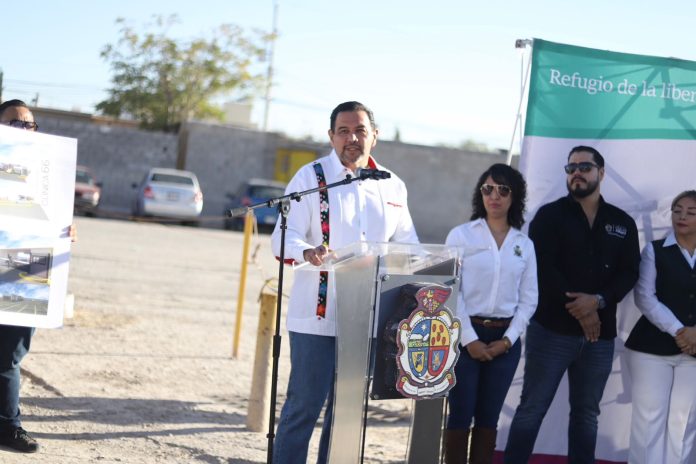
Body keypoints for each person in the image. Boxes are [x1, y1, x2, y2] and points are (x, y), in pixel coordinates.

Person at [270, 101, 419, 463]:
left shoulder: (392, 185)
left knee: (345, 415)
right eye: (344, 131)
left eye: (360, 131)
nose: (352, 138)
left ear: (375, 136)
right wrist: (307, 252)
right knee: (304, 407)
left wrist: (414, 264)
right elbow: (282, 237)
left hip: (367, 319)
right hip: (317, 317)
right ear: (331, 136)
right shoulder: (310, 178)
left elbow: (409, 246)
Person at [504, 146, 640, 463]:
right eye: (571, 168)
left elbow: (629, 272)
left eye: (584, 167)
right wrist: (583, 310)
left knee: (587, 415)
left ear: (601, 173)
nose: (576, 172)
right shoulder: (549, 216)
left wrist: (598, 302)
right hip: (551, 331)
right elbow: (543, 269)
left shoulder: (621, 222)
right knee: (531, 409)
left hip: (599, 337)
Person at [443, 164, 538, 464]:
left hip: (505, 341)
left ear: (515, 196)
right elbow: (450, 290)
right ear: (480, 193)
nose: (494, 196)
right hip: (464, 336)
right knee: (460, 414)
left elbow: (529, 299)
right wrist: (469, 340)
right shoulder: (461, 236)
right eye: (488, 189)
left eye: (503, 190)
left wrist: (508, 341)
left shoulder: (524, 244)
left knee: (488, 418)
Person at [624, 190, 696, 464]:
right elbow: (644, 296)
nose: (682, 216)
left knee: (684, 423)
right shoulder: (654, 250)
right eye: (677, 210)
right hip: (650, 350)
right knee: (648, 422)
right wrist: (681, 330)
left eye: (691, 212)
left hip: (694, 353)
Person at [0, 99, 40, 453]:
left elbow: (51, 216)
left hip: (24, 266)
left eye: (29, 124)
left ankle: (9, 428)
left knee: (10, 354)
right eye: (15, 123)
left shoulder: (47, 168)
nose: (24, 129)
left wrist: (66, 231)